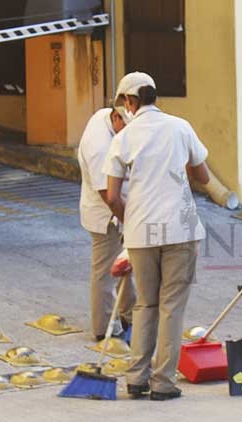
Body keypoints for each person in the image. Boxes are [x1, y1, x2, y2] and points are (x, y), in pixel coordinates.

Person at [103, 72, 211, 401]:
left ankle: (136, 379)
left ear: (129, 102)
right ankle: (163, 383)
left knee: (145, 304)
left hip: (140, 233)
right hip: (180, 229)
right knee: (171, 306)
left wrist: (128, 220)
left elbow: (111, 196)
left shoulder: (123, 138)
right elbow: (203, 176)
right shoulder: (181, 127)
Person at [76, 107, 135, 341]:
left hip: (121, 207)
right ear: (116, 117)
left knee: (126, 266)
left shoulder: (107, 117)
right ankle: (104, 330)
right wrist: (129, 221)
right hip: (106, 215)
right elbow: (108, 195)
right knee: (105, 274)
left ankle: (129, 315)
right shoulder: (98, 144)